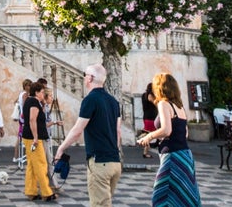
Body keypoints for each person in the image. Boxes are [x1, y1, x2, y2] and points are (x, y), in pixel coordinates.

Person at [56, 64, 121, 207]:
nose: (84, 77)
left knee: (99, 204)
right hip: (115, 162)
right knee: (105, 203)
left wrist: (61, 148)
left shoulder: (90, 100)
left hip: (99, 162)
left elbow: (77, 130)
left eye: (85, 75)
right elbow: (118, 132)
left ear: (91, 78)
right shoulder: (114, 102)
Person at [137, 73, 200, 205]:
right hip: (185, 155)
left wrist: (149, 136)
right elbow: (185, 133)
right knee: (182, 196)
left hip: (172, 156)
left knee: (161, 197)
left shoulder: (163, 104)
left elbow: (166, 130)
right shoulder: (180, 106)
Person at [21, 81, 55, 201]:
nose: (43, 94)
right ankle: (46, 192)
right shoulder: (34, 102)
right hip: (33, 139)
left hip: (28, 137)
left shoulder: (30, 101)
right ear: (36, 92)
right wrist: (35, 138)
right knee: (41, 164)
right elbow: (32, 120)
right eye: (41, 92)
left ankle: (31, 191)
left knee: (31, 165)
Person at [141, 83, 157, 158]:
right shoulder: (150, 96)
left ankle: (145, 151)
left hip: (147, 117)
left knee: (149, 134)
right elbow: (156, 104)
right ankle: (142, 139)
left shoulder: (144, 95)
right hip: (151, 118)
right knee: (151, 135)